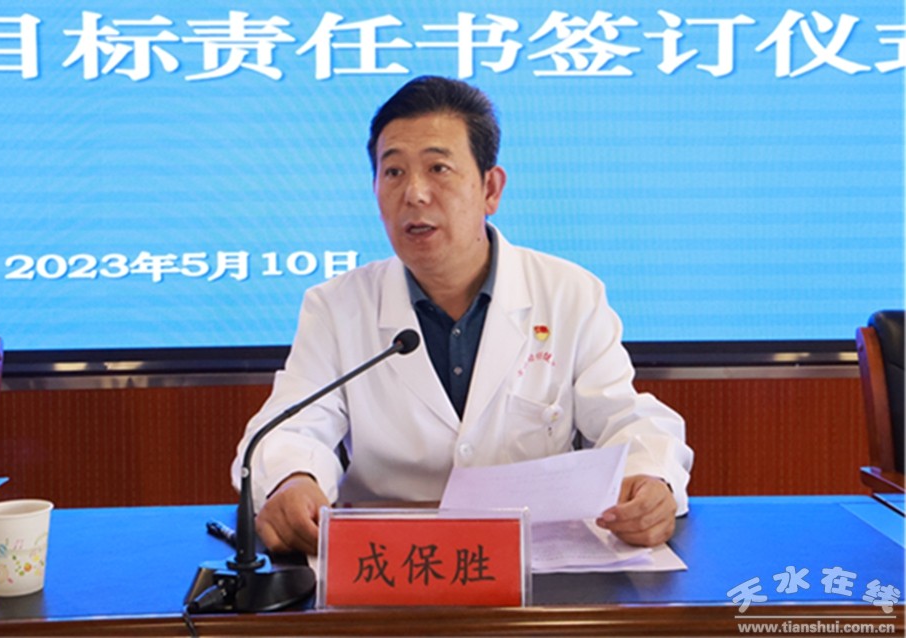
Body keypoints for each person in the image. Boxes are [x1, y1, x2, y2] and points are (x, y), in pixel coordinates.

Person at [232, 76, 693, 556]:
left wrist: (651, 478)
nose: (414, 194)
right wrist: (292, 479)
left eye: (438, 168)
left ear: (490, 189)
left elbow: (625, 416)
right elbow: (291, 426)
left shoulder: (568, 293)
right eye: (393, 172)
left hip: (534, 564)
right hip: (388, 562)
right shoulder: (336, 306)